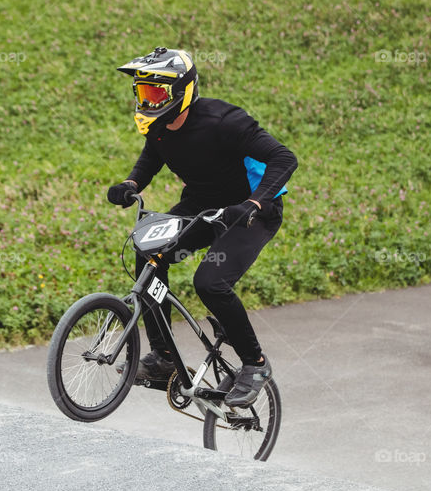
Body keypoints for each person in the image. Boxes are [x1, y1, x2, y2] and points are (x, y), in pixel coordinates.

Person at [107, 47, 297, 407]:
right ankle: (163, 358)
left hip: (250, 212)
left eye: (156, 93)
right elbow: (153, 155)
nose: (148, 101)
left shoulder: (225, 121)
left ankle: (255, 365)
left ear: (181, 91)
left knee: (210, 282)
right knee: (149, 252)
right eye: (144, 92)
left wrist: (254, 202)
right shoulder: (160, 126)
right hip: (201, 206)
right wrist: (132, 184)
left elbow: (284, 158)